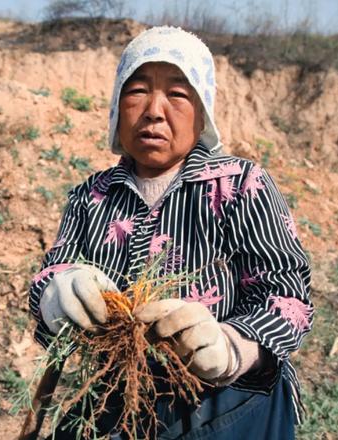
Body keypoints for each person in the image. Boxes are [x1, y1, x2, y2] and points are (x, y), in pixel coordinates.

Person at [28, 26, 313, 439]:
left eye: (178, 94)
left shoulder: (240, 186)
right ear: (116, 107)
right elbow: (49, 276)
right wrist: (57, 293)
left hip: (227, 403)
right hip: (122, 396)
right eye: (138, 90)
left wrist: (230, 347)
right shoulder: (90, 197)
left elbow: (288, 295)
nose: (154, 111)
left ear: (202, 111)